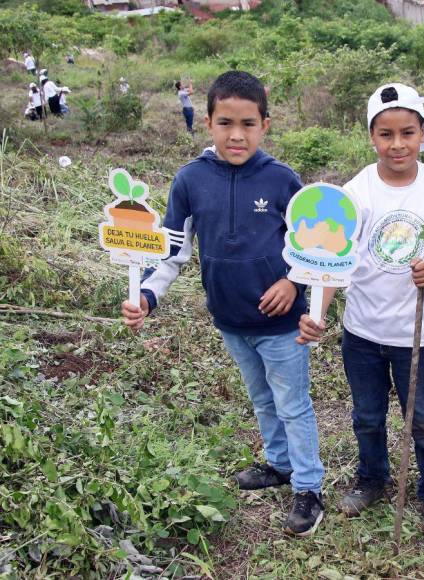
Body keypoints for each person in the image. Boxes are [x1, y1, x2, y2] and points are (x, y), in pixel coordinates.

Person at [120, 71, 325, 537]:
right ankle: (279, 464)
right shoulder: (190, 181)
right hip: (230, 321)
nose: (237, 134)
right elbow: (172, 255)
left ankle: (310, 488)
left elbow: (315, 249)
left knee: (293, 403)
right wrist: (147, 296)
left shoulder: (281, 180)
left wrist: (294, 283)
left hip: (282, 324)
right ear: (207, 121)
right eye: (226, 122)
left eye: (249, 124)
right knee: (261, 398)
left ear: (265, 125)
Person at [298, 82, 424, 540]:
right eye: (386, 134)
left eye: (407, 132)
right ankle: (372, 479)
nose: (398, 144)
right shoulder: (356, 191)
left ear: (422, 133)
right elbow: (332, 261)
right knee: (367, 415)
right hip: (363, 332)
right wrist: (319, 313)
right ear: (371, 137)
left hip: (416, 334)